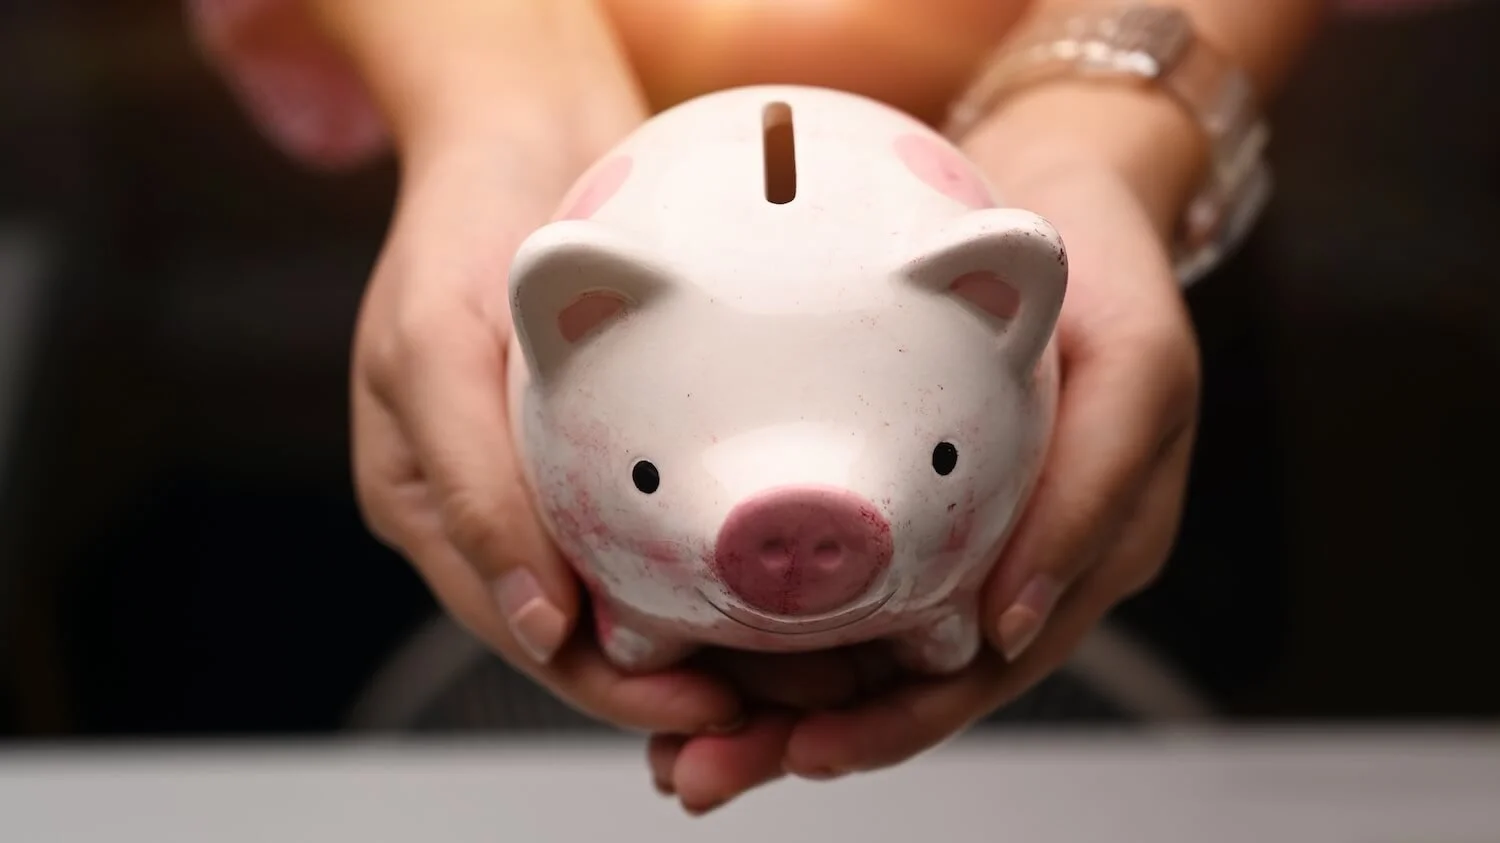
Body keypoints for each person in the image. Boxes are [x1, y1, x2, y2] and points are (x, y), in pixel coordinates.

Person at [190, 0, 1328, 816]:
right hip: (509, 192)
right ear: (568, 319)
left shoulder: (1015, 293)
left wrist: (1104, 138)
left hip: (1090, 230)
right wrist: (494, 86)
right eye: (646, 475)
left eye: (935, 455)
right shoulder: (558, 300)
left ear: (1003, 302)